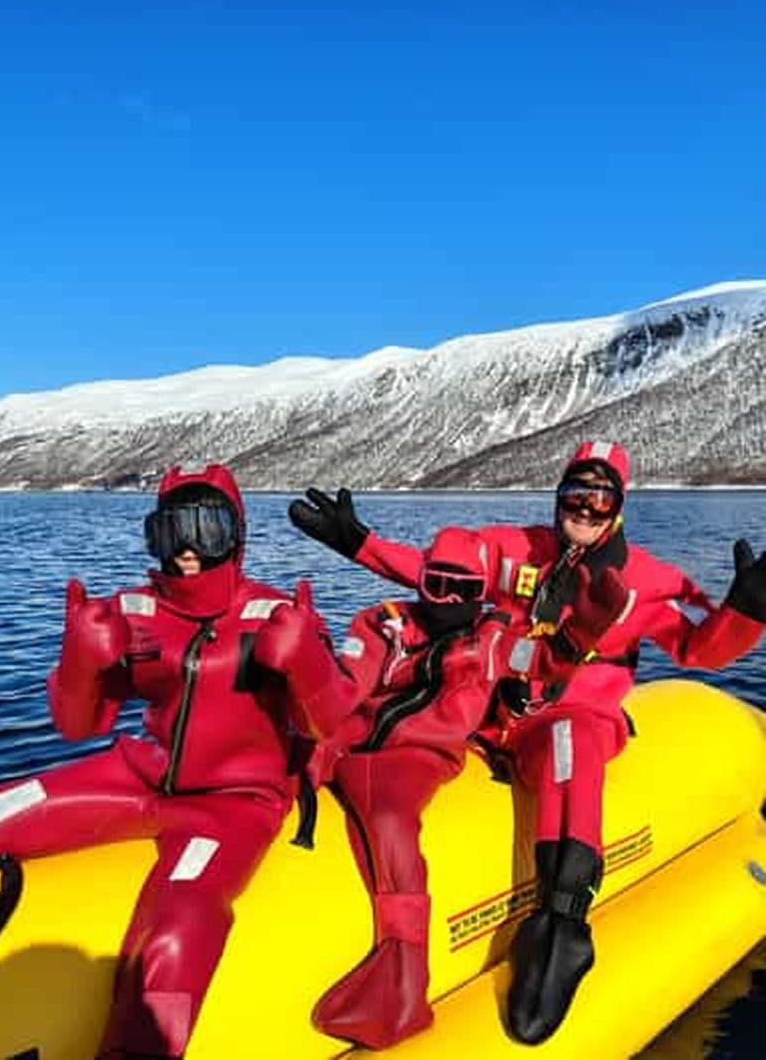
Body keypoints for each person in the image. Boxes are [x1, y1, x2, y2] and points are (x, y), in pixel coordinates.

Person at [288, 440, 766, 1044]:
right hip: (492, 718)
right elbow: (437, 575)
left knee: (570, 744)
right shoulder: (516, 550)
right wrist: (357, 543)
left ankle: (563, 926)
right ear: (558, 495)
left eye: (600, 499)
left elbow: (700, 651)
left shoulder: (647, 582)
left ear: (619, 507)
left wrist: (747, 611)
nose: (584, 511)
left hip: (567, 719)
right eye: (575, 495)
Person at [0, 464, 356, 1060]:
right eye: (174, 530)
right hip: (137, 777)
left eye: (210, 527)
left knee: (178, 927)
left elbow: (332, 724)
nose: (192, 549)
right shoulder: (137, 614)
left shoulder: (278, 616)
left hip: (230, 807)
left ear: (238, 534)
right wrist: (77, 662)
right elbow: (79, 727)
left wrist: (308, 663)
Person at [303, 524, 628, 1049]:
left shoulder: (494, 643)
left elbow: (541, 662)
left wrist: (580, 634)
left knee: (389, 821)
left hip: (416, 755)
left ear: (482, 595)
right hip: (351, 739)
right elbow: (350, 680)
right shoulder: (384, 624)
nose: (449, 600)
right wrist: (310, 715)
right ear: (421, 582)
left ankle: (402, 971)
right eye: (437, 585)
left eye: (464, 590)